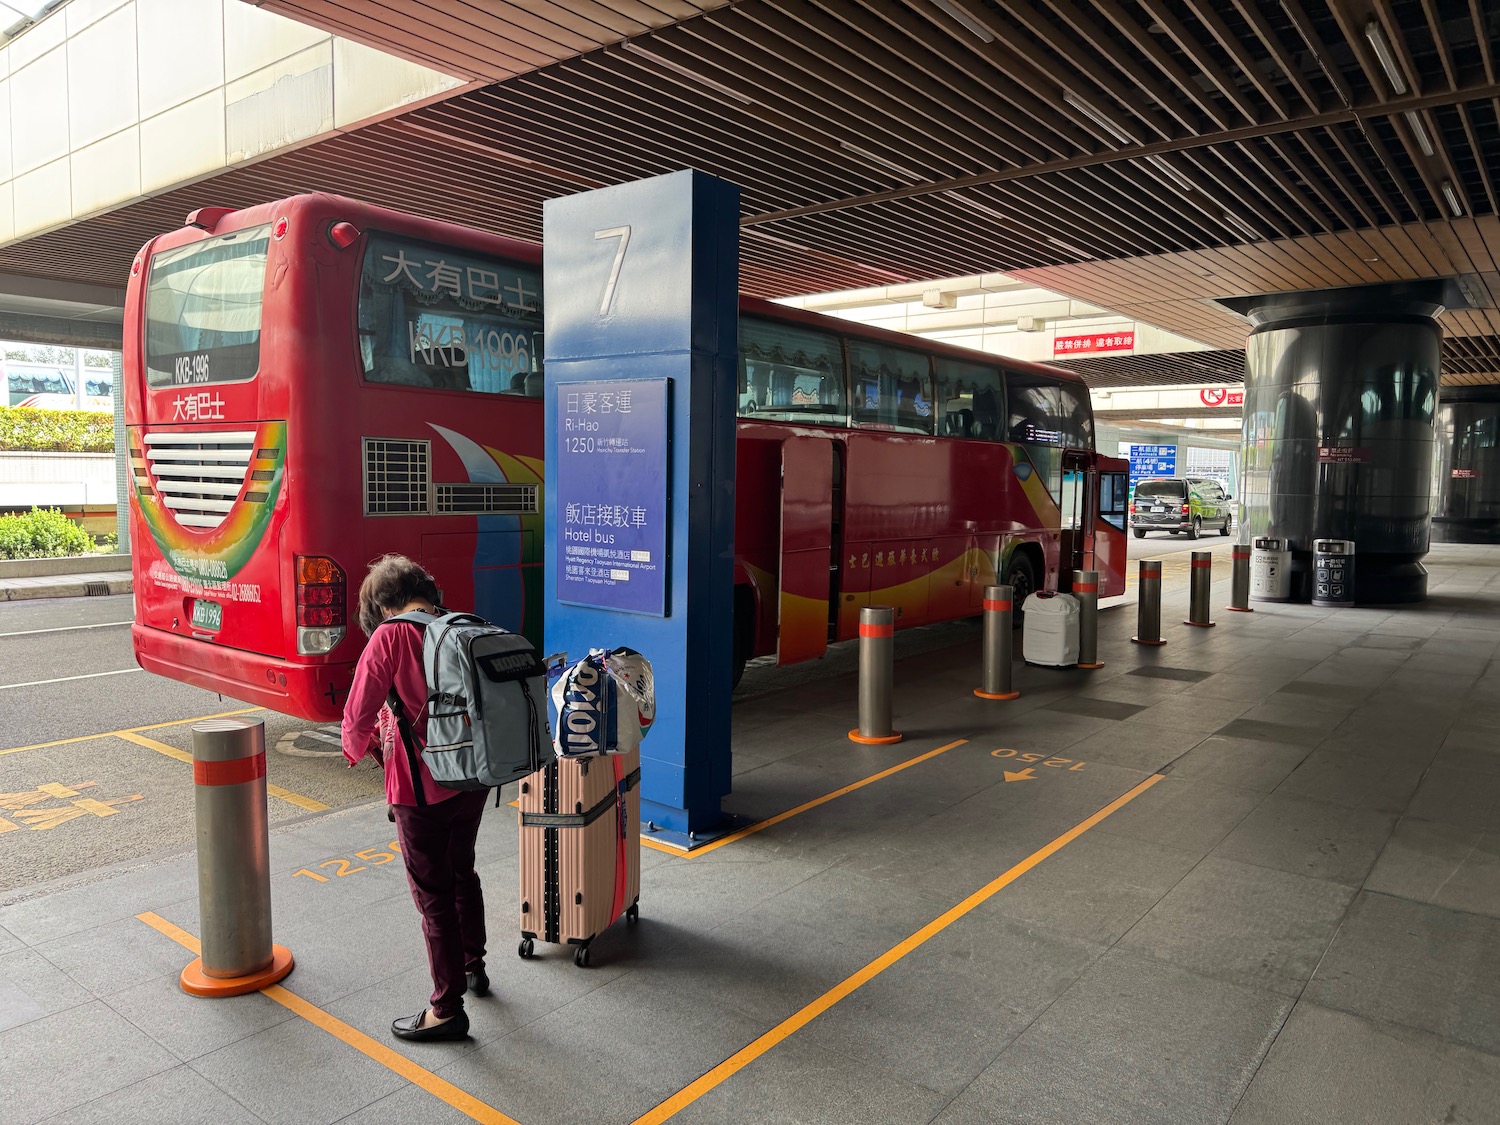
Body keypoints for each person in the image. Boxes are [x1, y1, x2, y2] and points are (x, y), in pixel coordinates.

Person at [341, 554, 490, 1042]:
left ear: (383, 606)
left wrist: (357, 748)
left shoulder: (391, 635)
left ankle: (446, 1008)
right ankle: (473, 965)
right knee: (462, 870)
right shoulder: (459, 625)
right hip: (472, 777)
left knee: (433, 896)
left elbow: (357, 716)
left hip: (420, 788)